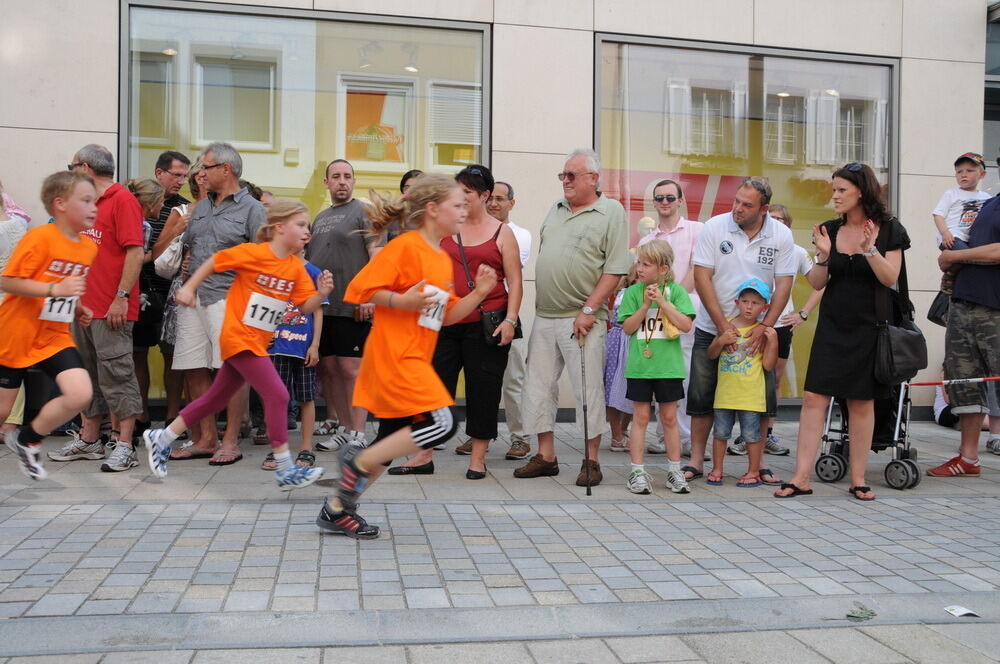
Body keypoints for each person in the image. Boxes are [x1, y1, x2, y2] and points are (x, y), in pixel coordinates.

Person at [316, 174, 498, 538]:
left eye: (466, 204)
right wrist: (403, 301)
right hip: (396, 358)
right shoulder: (406, 247)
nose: (465, 210)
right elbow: (358, 290)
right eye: (457, 204)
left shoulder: (441, 258)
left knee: (391, 440)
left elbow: (444, 316)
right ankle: (357, 460)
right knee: (442, 424)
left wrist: (478, 294)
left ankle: (338, 509)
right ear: (432, 210)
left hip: (415, 357)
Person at [145, 199, 332, 489]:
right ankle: (285, 468)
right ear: (280, 228)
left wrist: (321, 294)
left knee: (215, 399)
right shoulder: (254, 253)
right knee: (279, 396)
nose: (306, 232)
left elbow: (305, 306)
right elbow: (214, 261)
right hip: (238, 337)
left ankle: (163, 437)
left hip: (258, 342)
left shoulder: (295, 267)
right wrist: (190, 287)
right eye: (300, 225)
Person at [776, 163, 909, 501]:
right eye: (833, 190)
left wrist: (869, 248)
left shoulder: (889, 229)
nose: (833, 196)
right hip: (833, 327)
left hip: (870, 328)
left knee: (861, 403)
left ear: (861, 192)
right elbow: (819, 282)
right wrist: (823, 255)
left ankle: (859, 478)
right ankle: (801, 477)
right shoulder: (829, 230)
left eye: (841, 190)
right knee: (813, 398)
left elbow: (889, 278)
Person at [388, 165, 522, 479]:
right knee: (431, 388)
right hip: (441, 320)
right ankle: (424, 454)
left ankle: (478, 458)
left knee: (483, 390)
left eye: (468, 193)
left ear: (486, 196)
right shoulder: (445, 226)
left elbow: (515, 282)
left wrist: (511, 321)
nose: (460, 197)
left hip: (486, 322)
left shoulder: (503, 233)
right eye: (457, 190)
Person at [515, 149, 631, 487]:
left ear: (593, 179)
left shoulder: (611, 211)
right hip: (545, 315)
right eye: (562, 175)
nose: (565, 181)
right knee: (537, 388)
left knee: (587, 390)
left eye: (572, 176)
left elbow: (615, 268)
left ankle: (591, 460)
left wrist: (590, 309)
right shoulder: (556, 208)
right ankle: (546, 456)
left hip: (583, 317)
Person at [685, 178, 794, 485]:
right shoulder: (715, 227)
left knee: (759, 398)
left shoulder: (781, 235)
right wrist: (722, 326)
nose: (737, 209)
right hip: (713, 328)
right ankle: (696, 461)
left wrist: (765, 326)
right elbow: (702, 276)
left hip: (759, 331)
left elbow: (784, 284)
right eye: (736, 201)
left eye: (747, 205)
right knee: (702, 396)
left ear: (764, 209)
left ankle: (757, 465)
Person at [167, 142, 266, 465]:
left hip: (230, 299)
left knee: (231, 369)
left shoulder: (253, 209)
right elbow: (193, 248)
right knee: (192, 366)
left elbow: (264, 260)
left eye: (205, 166)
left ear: (226, 169)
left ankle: (230, 441)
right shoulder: (200, 208)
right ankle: (206, 438)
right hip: (192, 298)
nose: (199, 173)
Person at [1, 171, 98, 480]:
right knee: (2, 412)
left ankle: (28, 440)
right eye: (85, 201)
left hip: (53, 336)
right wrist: (56, 291)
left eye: (94, 201)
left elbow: (66, 286)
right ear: (60, 205)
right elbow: (8, 280)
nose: (94, 208)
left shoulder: (88, 248)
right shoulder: (39, 238)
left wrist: (79, 307)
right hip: (15, 334)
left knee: (80, 393)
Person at [65, 144, 145, 473]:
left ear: (85, 167)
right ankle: (90, 439)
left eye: (71, 167)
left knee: (117, 374)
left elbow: (135, 252)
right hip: (82, 306)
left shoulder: (122, 200)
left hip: (110, 307)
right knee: (86, 375)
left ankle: (125, 445)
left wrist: (121, 296)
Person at [927, 164, 1000, 475]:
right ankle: (968, 459)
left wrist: (954, 257)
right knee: (964, 382)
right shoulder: (986, 204)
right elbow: (961, 241)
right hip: (963, 304)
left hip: (996, 309)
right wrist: (952, 266)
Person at [306, 160, 377, 451]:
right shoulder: (320, 217)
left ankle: (359, 432)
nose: (342, 182)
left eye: (347, 176)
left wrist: (370, 295)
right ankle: (346, 429)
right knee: (331, 369)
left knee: (351, 369)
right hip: (325, 308)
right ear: (326, 183)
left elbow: (376, 255)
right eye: (335, 177)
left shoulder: (364, 212)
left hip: (353, 305)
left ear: (354, 181)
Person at [618, 240, 695, 494]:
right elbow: (627, 328)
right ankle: (637, 471)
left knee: (670, 418)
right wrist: (644, 306)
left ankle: (675, 471)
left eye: (646, 264)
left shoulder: (676, 291)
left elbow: (686, 325)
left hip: (669, 368)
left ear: (663, 269)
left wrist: (662, 302)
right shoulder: (632, 292)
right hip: (640, 367)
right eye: (638, 262)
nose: (639, 268)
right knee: (640, 417)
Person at [743, 203, 820, 456]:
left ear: (787, 225)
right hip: (751, 320)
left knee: (774, 380)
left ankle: (768, 435)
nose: (775, 224)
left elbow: (820, 284)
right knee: (746, 376)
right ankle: (747, 434)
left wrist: (803, 313)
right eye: (771, 219)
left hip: (781, 323)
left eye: (780, 220)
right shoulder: (753, 245)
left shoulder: (796, 252)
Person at [639, 179, 703, 459]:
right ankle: (663, 435)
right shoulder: (646, 241)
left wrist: (673, 299)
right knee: (659, 373)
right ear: (654, 203)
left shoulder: (697, 231)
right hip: (655, 318)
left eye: (669, 197)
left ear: (680, 201)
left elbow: (696, 270)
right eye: (659, 198)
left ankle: (687, 439)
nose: (664, 202)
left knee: (686, 378)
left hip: (685, 314)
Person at [133, 151, 191, 438]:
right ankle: (141, 415)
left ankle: (172, 416)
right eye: (176, 174)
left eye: (184, 176)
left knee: (173, 357)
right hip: (141, 289)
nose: (181, 181)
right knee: (137, 355)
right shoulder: (137, 205)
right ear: (159, 173)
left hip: (172, 291)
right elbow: (139, 252)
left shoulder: (185, 208)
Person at [706, 279, 779, 488]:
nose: (749, 306)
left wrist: (773, 342)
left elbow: (768, 365)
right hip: (725, 394)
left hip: (751, 396)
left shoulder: (762, 332)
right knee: (720, 433)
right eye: (745, 301)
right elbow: (711, 354)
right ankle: (717, 468)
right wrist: (721, 341)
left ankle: (753, 471)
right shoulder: (726, 325)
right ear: (737, 302)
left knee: (751, 436)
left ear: (765, 307)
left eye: (755, 303)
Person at [261, 247, 326, 471]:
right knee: (276, 399)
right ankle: (278, 448)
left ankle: (306, 448)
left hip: (303, 347)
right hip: (277, 347)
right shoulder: (274, 270)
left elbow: (318, 311)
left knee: (306, 398)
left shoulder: (314, 272)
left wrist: (315, 345)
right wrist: (264, 333)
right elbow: (266, 305)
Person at [487, 180, 533, 460]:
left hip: (506, 314)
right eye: (489, 198)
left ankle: (520, 438)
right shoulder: (469, 232)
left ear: (511, 204)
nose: (493, 203)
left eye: (500, 199)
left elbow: (503, 275)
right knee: (482, 382)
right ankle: (480, 436)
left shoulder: (520, 235)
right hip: (476, 315)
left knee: (513, 380)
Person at [124, 177, 166, 439]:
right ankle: (135, 418)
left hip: (125, 294)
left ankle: (130, 419)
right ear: (151, 203)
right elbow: (140, 258)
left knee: (131, 358)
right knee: (132, 358)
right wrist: (171, 234)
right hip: (131, 294)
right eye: (161, 200)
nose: (164, 205)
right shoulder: (143, 225)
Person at [605, 270, 635, 453]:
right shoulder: (624, 294)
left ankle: (623, 430)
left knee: (633, 389)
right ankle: (617, 434)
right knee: (613, 388)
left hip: (634, 341)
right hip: (620, 341)